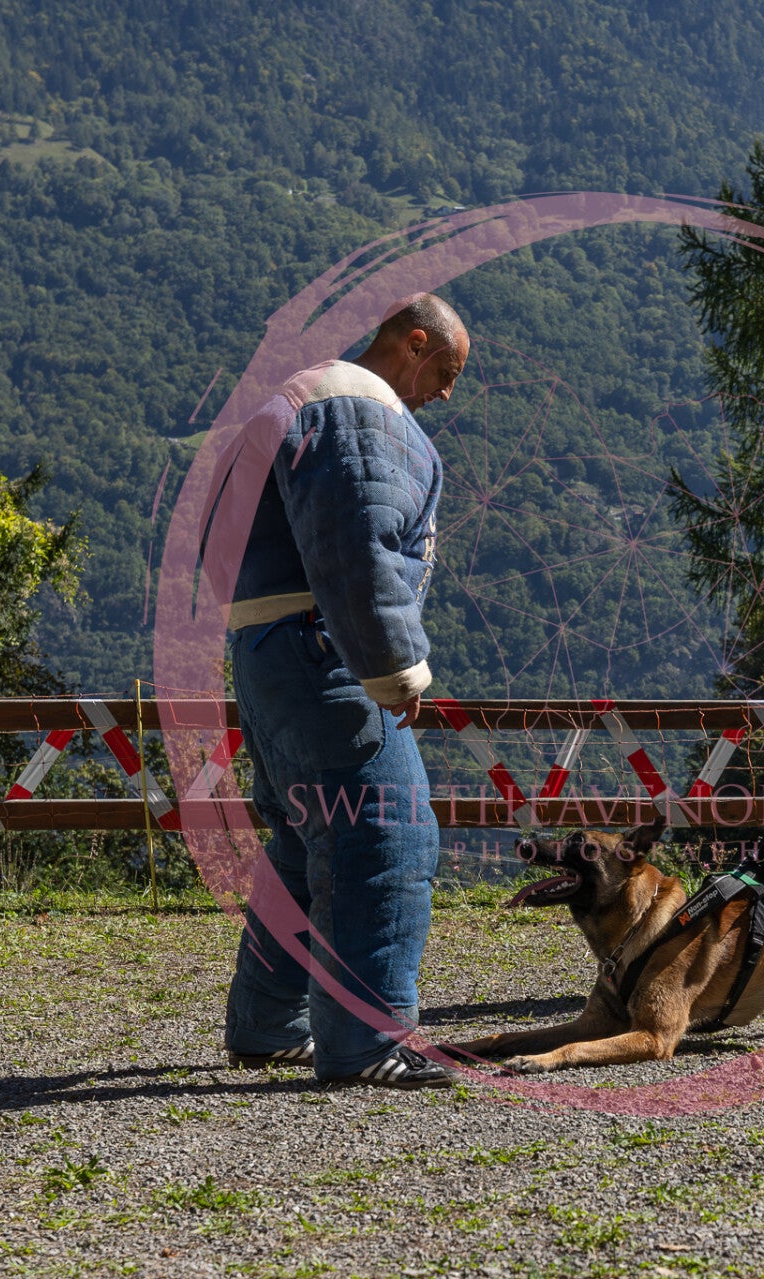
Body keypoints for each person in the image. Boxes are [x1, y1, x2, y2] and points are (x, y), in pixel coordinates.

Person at [219, 293, 468, 1089]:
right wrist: (394, 667)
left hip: (266, 645)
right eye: (446, 370)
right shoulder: (354, 407)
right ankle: (366, 1042)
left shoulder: (296, 400)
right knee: (384, 832)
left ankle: (267, 1022)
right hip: (321, 649)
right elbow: (357, 549)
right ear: (414, 342)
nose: (446, 392)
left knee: (305, 839)